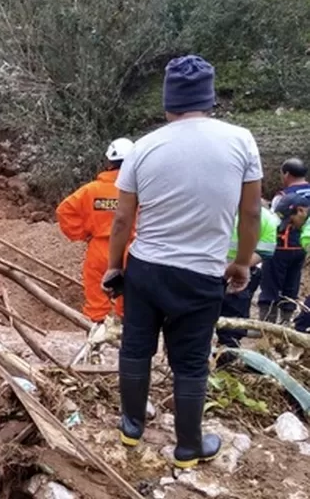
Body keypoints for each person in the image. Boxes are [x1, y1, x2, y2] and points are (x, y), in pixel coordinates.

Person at [103, 55, 263, 469]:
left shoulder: (144, 147)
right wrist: (242, 263)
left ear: (167, 101)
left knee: (136, 346)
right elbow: (250, 215)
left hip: (147, 270)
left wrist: (114, 267)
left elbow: (122, 219)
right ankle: (188, 448)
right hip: (202, 274)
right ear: (209, 98)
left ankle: (131, 427)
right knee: (190, 360)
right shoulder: (241, 140)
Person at [56, 138, 135, 323]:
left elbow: (64, 211)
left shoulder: (91, 190)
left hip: (98, 249)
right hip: (130, 250)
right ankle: (126, 340)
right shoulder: (137, 190)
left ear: (108, 162)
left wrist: (82, 233)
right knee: (129, 302)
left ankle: (96, 340)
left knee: (97, 303)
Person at [217, 206, 279, 348]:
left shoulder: (214, 206)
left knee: (200, 321)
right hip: (241, 271)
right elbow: (265, 251)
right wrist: (240, 265)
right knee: (231, 324)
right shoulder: (267, 217)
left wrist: (236, 267)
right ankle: (226, 363)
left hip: (214, 270)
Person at [259, 158, 310, 323]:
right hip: (302, 248)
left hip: (280, 247)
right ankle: (286, 322)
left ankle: (267, 325)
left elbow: (272, 222)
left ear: (286, 174)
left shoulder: (283, 197)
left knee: (270, 286)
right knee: (292, 285)